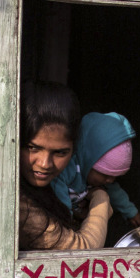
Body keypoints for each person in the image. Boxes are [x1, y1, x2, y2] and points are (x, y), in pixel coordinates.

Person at [18, 83, 112, 251]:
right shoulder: (20, 205)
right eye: (33, 148)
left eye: (60, 153)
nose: (45, 164)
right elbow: (81, 248)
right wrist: (101, 200)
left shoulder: (58, 186)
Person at [51, 112, 140, 229]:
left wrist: (131, 212)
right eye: (105, 174)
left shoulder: (101, 179)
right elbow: (61, 209)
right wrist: (68, 227)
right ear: (88, 162)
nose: (110, 180)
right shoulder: (64, 172)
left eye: (115, 176)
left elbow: (115, 192)